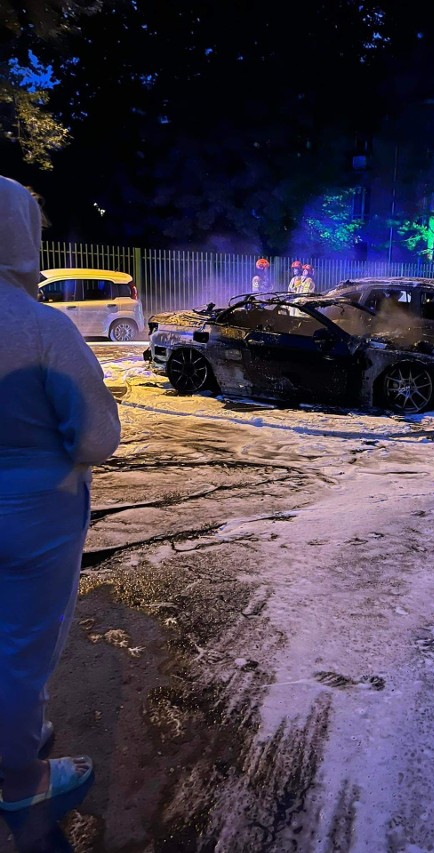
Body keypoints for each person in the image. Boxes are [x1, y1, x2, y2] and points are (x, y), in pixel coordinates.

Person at [0, 176, 121, 811]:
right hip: (33, 510)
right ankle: (20, 778)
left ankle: (10, 736)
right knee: (21, 646)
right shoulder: (42, 327)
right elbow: (95, 437)